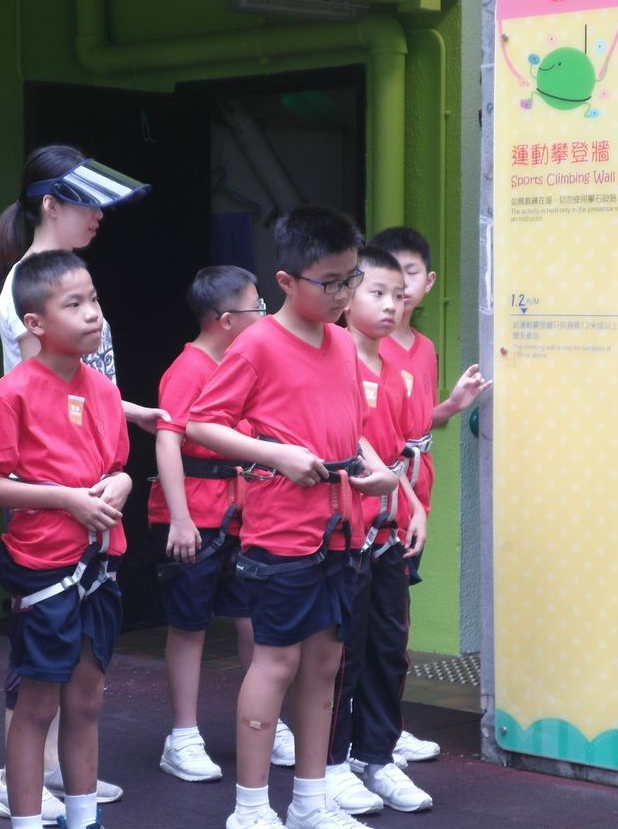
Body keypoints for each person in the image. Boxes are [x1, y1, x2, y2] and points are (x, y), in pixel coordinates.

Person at [189, 206, 398, 829]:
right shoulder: (258, 344)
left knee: (326, 665)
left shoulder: (343, 343)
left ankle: (310, 801)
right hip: (281, 533)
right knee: (276, 663)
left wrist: (381, 472)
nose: (343, 294)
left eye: (350, 279)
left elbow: (354, 432)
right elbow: (201, 424)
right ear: (285, 281)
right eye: (329, 282)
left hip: (343, 530)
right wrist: (276, 454)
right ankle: (251, 809)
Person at [0, 144, 159, 820]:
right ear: (51, 205)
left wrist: (124, 439)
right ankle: (21, 784)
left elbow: (85, 395)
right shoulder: (29, 289)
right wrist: (72, 491)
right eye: (88, 203)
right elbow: (43, 404)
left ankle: (64, 786)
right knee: (39, 678)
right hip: (47, 509)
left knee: (82, 685)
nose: (100, 215)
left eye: (92, 302)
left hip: (92, 518)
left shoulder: (64, 284)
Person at [0, 250, 131, 829]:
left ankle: (84, 818)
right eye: (74, 304)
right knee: (37, 705)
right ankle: (27, 820)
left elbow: (116, 467)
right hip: (44, 568)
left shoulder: (104, 390)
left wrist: (123, 482)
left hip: (100, 564)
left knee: (87, 700)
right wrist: (65, 499)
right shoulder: (13, 391)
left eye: (94, 300)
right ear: (35, 323)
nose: (92, 314)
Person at [151, 266, 295, 782]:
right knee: (189, 625)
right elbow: (168, 441)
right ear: (226, 319)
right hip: (193, 516)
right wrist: (180, 520)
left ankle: (267, 723)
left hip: (242, 515)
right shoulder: (188, 369)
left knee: (252, 621)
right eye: (259, 307)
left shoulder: (243, 364)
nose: (266, 315)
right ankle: (183, 736)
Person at [371, 226, 491, 767]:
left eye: (409, 276)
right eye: (385, 281)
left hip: (415, 497)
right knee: (371, 626)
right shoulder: (361, 345)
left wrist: (453, 405)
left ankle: (385, 728)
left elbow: (417, 425)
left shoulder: (423, 348)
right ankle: (364, 734)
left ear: (428, 282)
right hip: (379, 499)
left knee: (396, 620)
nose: (396, 292)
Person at [322, 246, 432, 816]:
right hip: (345, 534)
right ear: (346, 298)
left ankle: (376, 756)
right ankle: (331, 765)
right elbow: (355, 445)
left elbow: (395, 456)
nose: (392, 304)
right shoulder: (333, 360)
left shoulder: (395, 369)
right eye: (377, 293)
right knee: (344, 654)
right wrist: (399, 494)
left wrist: (414, 507)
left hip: (388, 533)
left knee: (390, 648)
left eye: (398, 294)